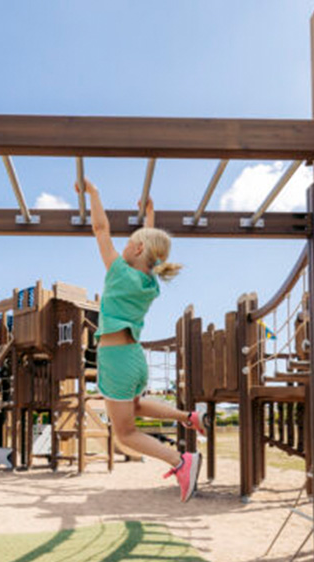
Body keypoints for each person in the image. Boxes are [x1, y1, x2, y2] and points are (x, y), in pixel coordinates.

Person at [76, 178, 206, 502]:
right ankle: (188, 417)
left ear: (135, 250)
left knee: (125, 434)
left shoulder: (120, 272)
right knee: (134, 407)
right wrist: (150, 217)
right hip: (133, 358)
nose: (121, 245)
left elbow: (100, 228)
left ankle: (181, 461)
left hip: (118, 360)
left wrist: (95, 192)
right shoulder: (150, 283)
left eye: (130, 241)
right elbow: (146, 249)